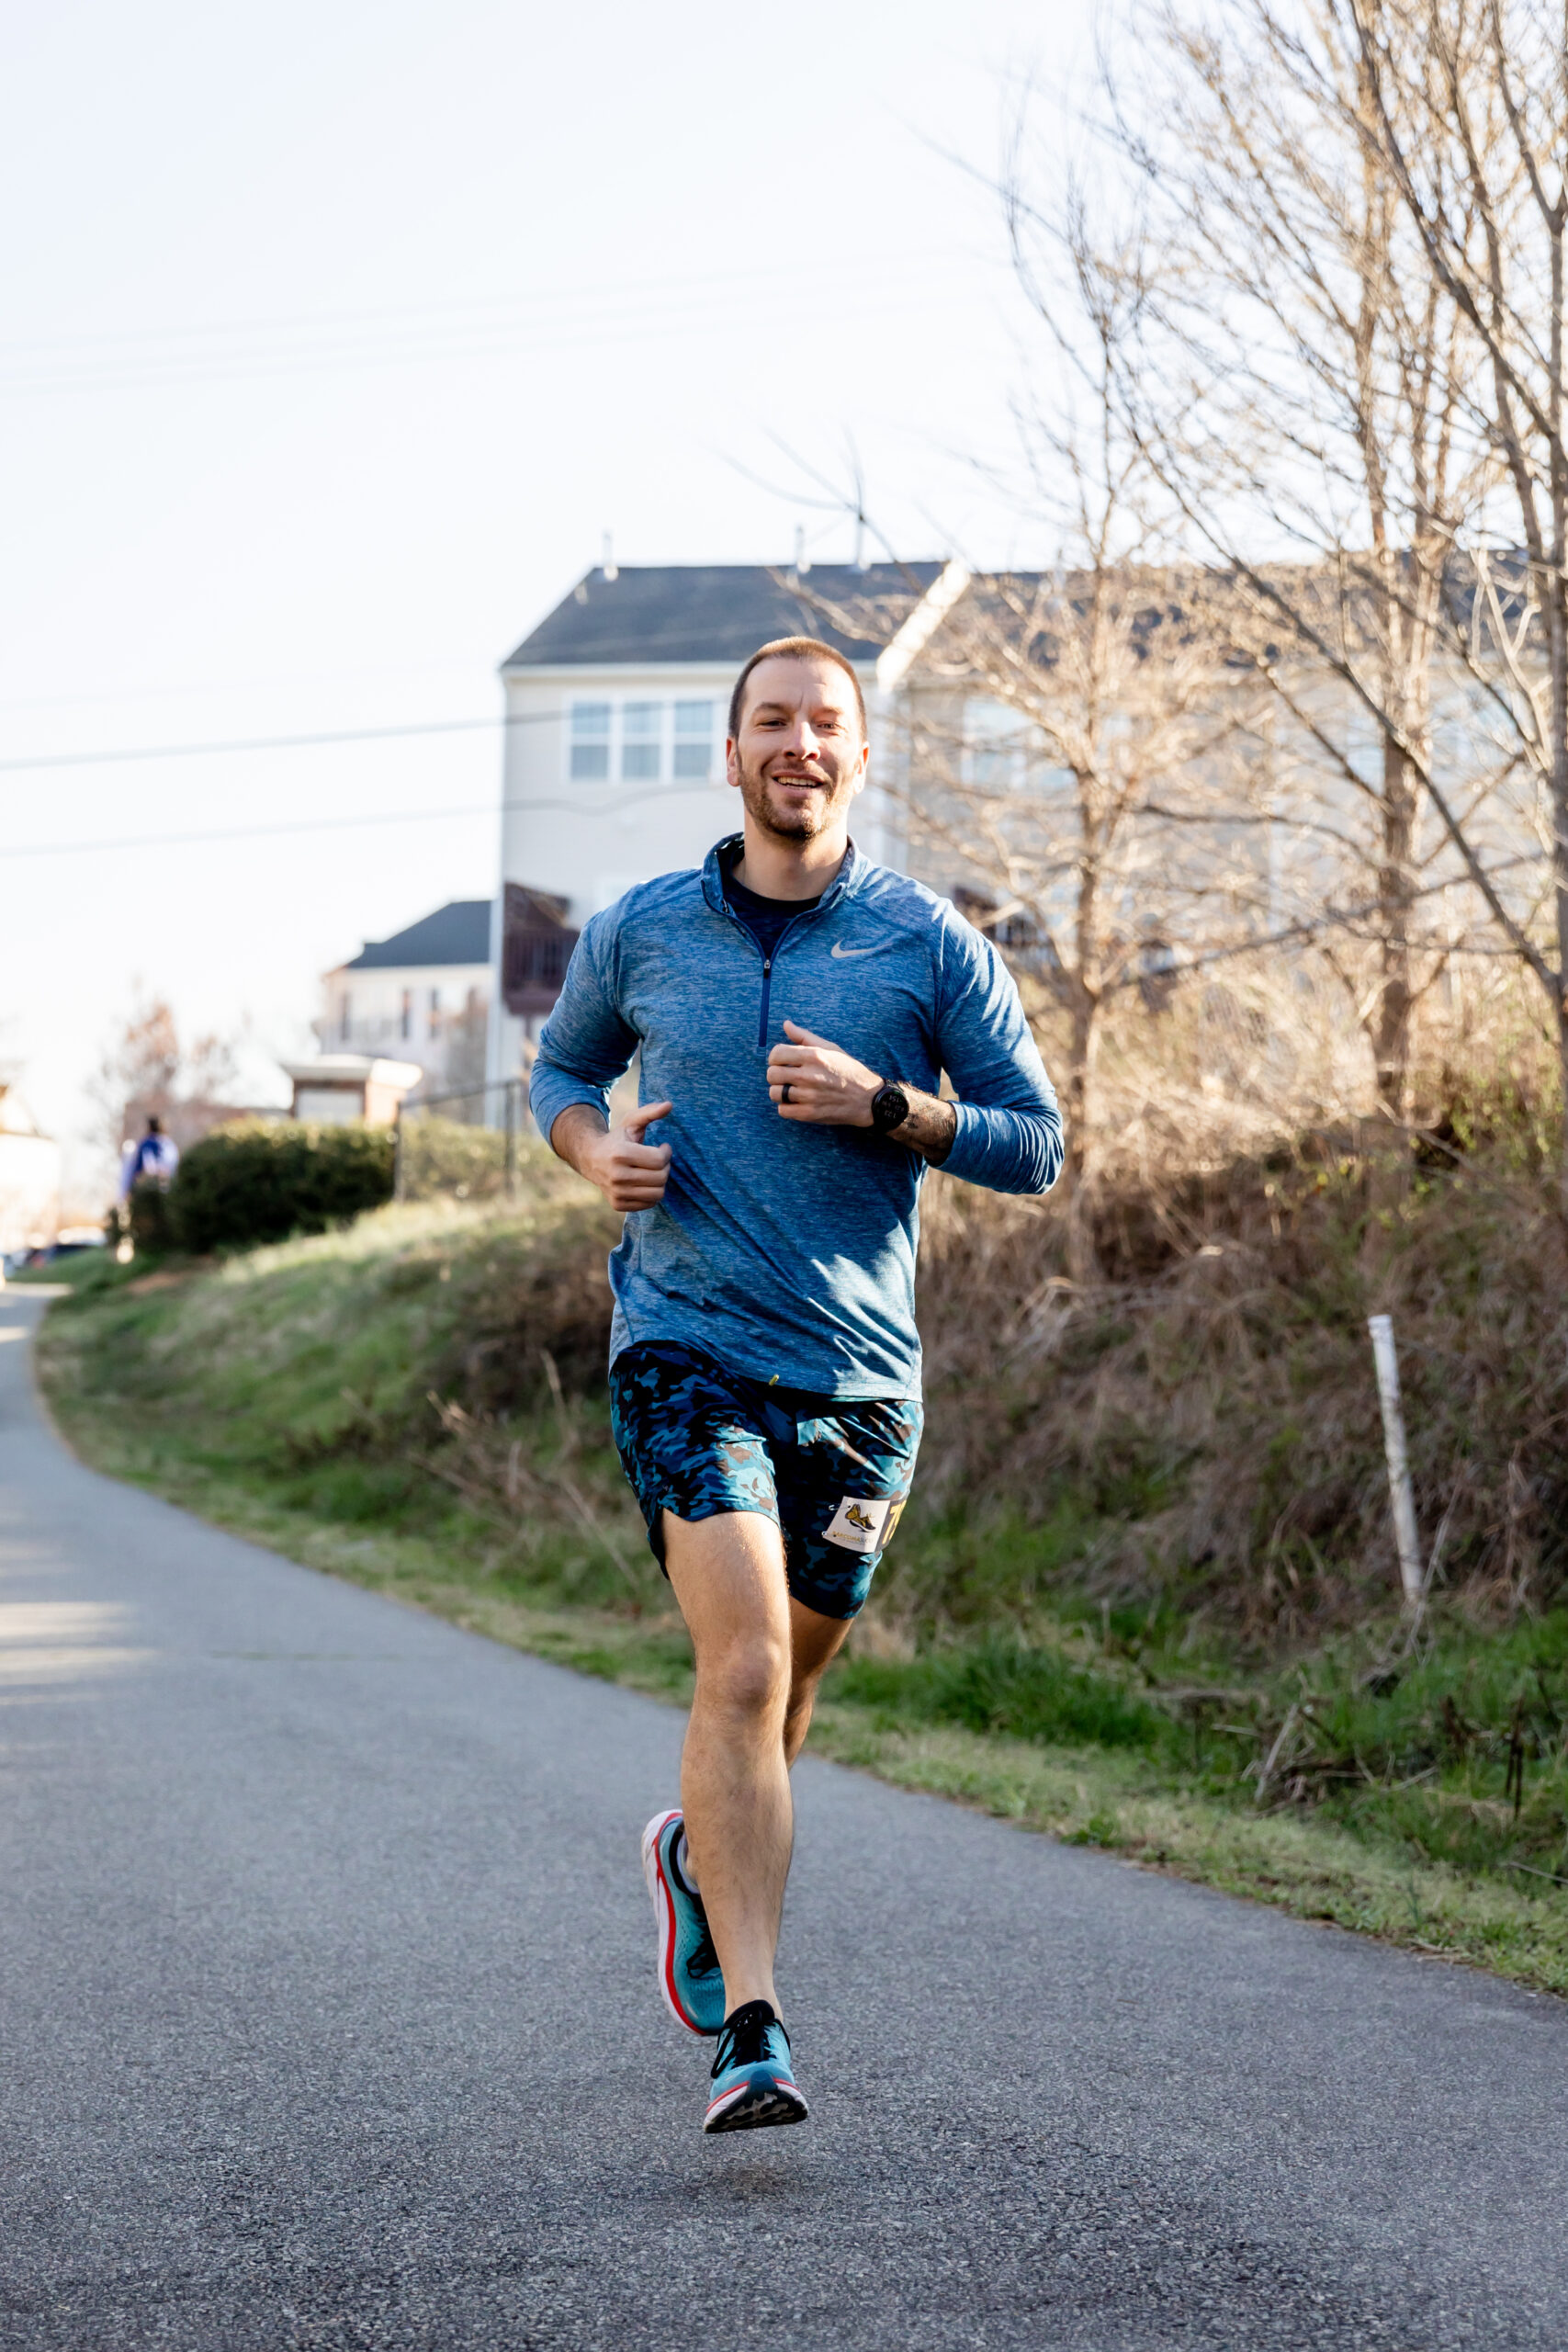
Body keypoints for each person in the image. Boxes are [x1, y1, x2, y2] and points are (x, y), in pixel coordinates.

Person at [530, 635, 1062, 2134]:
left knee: (792, 1686)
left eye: (825, 722)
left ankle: (699, 1859)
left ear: (859, 754)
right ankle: (751, 2029)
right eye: (771, 720)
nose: (798, 744)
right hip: (684, 1347)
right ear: (732, 751)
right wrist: (593, 1152)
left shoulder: (924, 943)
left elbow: (1035, 1143)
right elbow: (560, 1074)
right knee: (748, 1664)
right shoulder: (641, 929)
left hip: (862, 1382)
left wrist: (886, 1106)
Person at [116, 1114, 179, 1206]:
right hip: (160, 1185)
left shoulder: (148, 1143)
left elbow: (149, 1167)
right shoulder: (167, 1143)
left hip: (147, 1185)